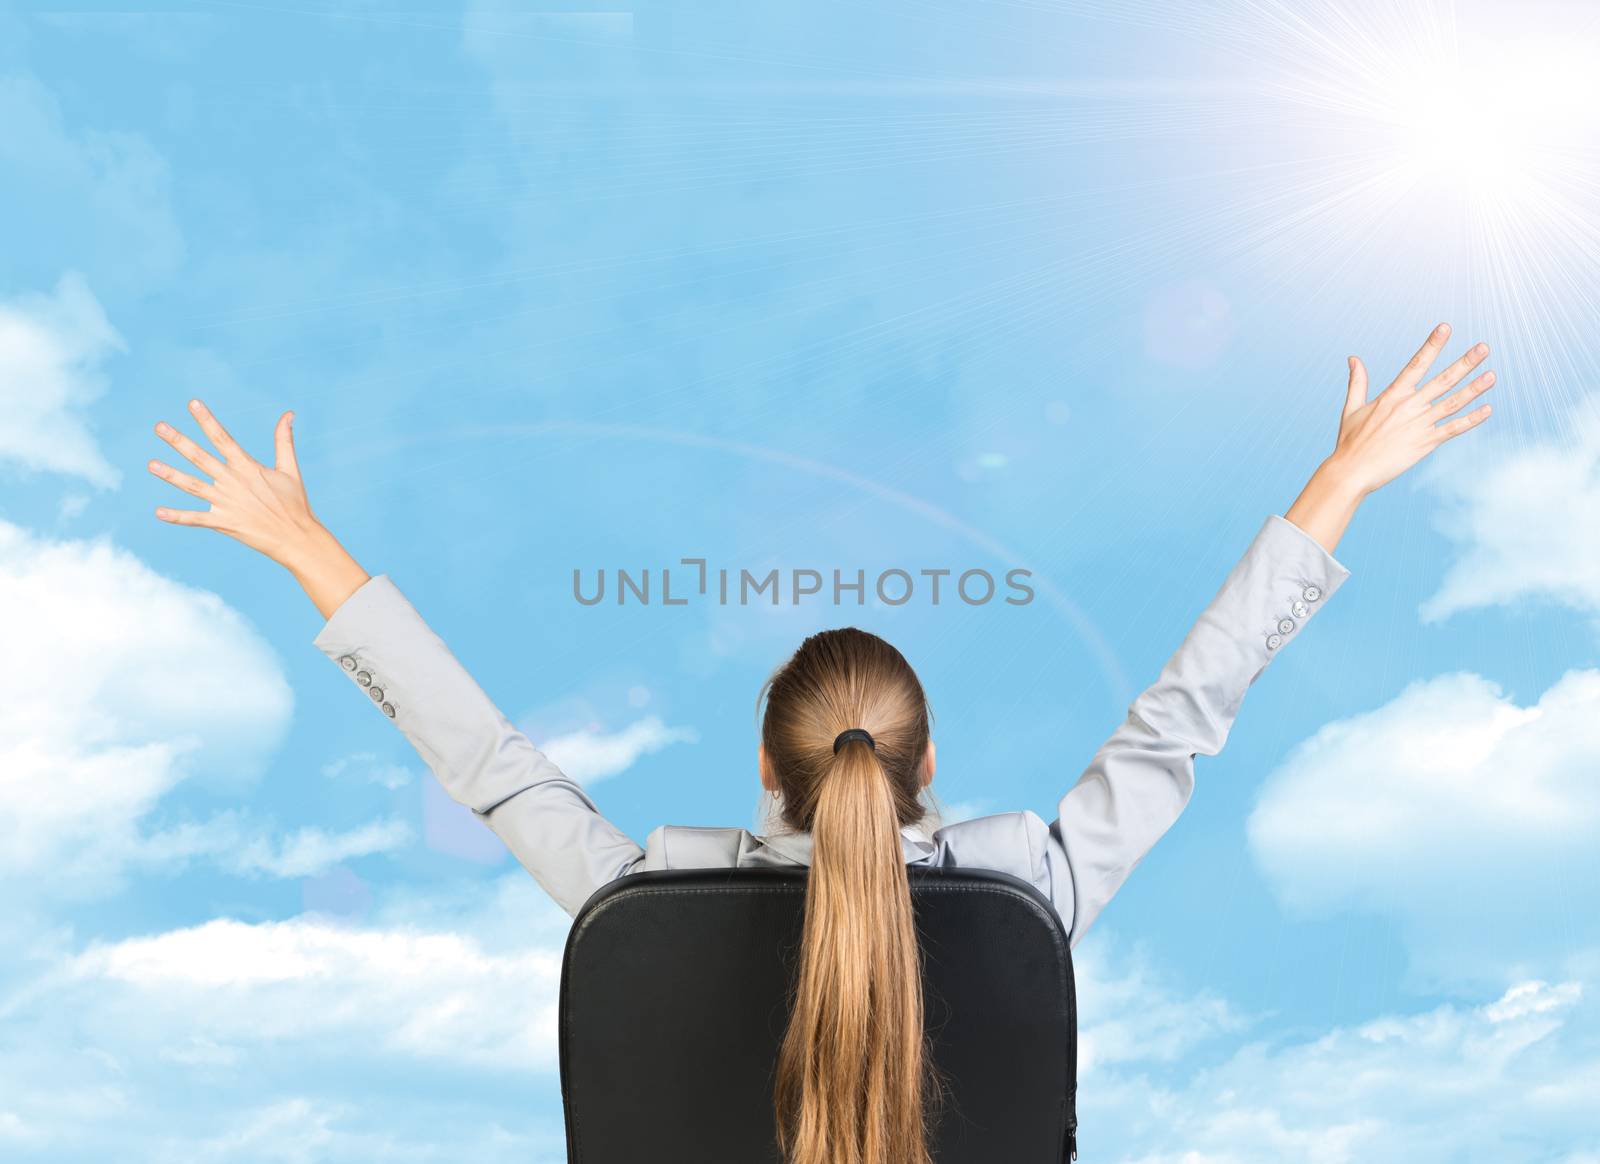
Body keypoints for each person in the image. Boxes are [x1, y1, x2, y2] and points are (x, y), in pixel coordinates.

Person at [148, 323, 1494, 1164]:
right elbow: (1181, 719)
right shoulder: (1028, 892)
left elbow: (490, 766)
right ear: (929, 771)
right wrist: (1340, 484)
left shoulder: (640, 907)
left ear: (763, 771)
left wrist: (305, 545)